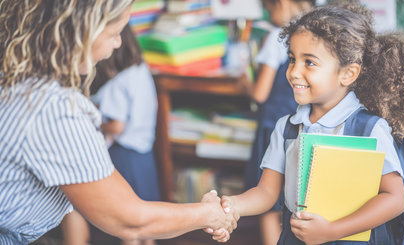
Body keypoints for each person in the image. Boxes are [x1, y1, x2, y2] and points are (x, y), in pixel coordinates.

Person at [0, 1, 236, 245]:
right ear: (81, 30)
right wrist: (208, 213)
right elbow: (130, 220)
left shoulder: (15, 78)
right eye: (114, 33)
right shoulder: (54, 108)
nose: (119, 43)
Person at [220, 3, 404, 244]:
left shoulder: (369, 129)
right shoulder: (286, 127)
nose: (293, 72)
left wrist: (332, 231)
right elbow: (266, 193)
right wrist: (232, 204)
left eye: (309, 62)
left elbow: (394, 199)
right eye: (292, 59)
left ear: (348, 74)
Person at [61, 24, 161, 245]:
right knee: (147, 221)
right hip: (145, 155)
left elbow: (117, 126)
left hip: (124, 156)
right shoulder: (141, 71)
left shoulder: (119, 82)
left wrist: (94, 124)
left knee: (128, 224)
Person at [243, 1, 314, 244]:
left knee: (269, 205)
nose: (270, 16)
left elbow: (260, 93)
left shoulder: (278, 37)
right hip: (307, 130)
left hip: (274, 128)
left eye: (269, 9)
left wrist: (244, 82)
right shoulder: (319, 36)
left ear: (281, 4)